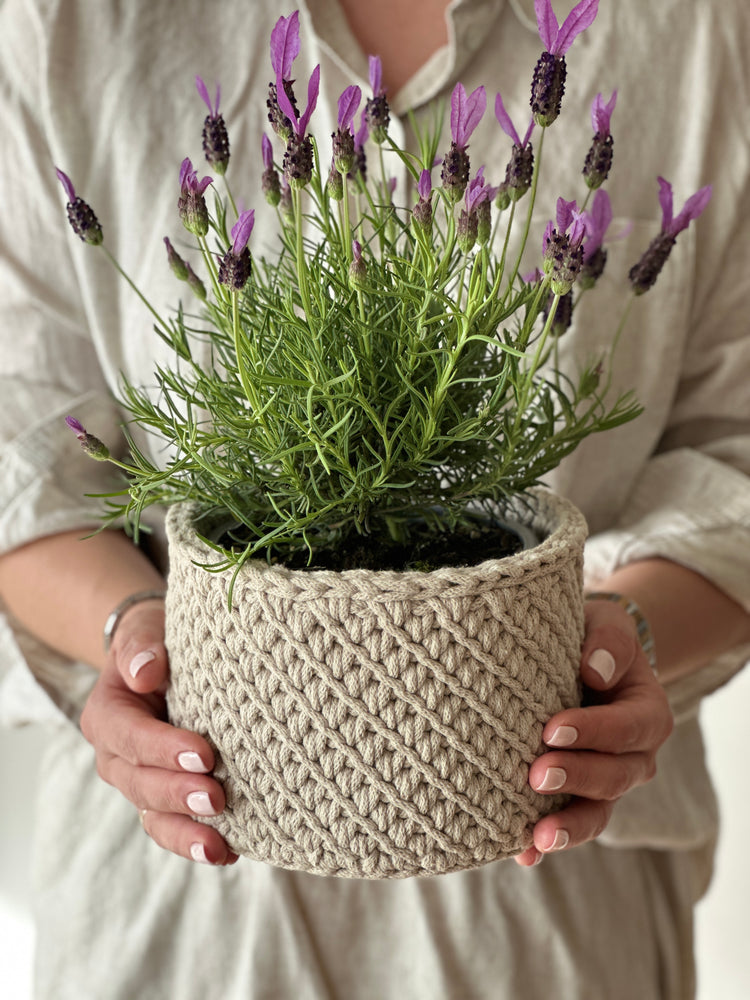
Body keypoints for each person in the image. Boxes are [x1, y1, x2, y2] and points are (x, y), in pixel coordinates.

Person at [0, 0, 749, 996]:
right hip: (179, 901)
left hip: (549, 899)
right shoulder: (66, 26)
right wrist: (137, 637)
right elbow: (25, 461)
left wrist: (619, 642)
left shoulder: (702, 28)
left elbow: (734, 453)